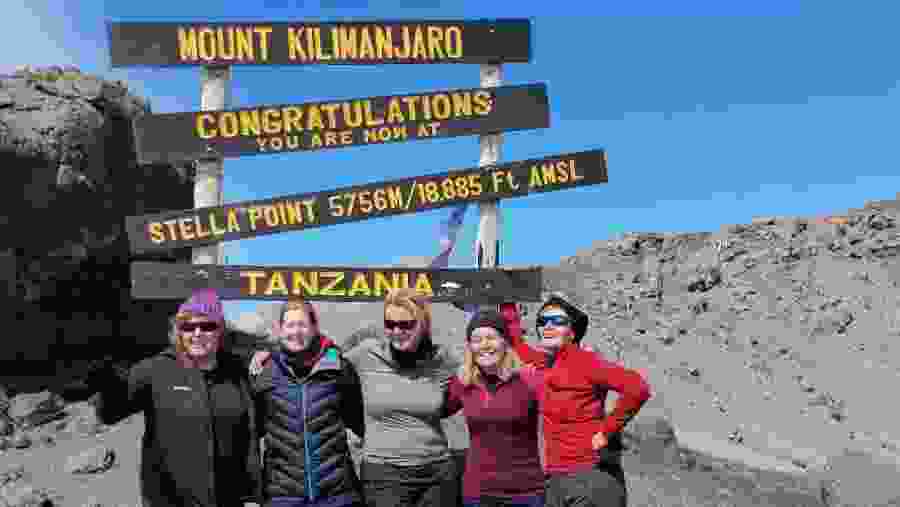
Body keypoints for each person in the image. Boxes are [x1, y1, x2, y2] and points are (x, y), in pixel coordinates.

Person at [251, 288, 462, 507]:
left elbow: (468, 384)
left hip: (424, 477)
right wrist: (268, 355)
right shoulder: (364, 356)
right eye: (390, 324)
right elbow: (251, 432)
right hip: (372, 479)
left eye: (406, 324)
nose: (397, 330)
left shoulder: (441, 360)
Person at [89, 289, 263, 507]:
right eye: (188, 327)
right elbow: (110, 412)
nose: (197, 333)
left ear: (220, 331)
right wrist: (105, 377)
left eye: (207, 326)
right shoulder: (155, 370)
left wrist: (252, 497)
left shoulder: (238, 373)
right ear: (178, 331)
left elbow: (249, 440)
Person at [502, 296, 652, 507]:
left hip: (591, 480)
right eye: (542, 321)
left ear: (572, 333)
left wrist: (607, 430)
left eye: (557, 321)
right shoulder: (545, 363)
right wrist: (506, 296)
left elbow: (637, 387)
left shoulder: (587, 362)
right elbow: (517, 343)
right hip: (556, 480)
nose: (548, 326)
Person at [250, 298, 366, 507]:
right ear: (280, 329)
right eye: (290, 325)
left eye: (302, 324)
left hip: (337, 496)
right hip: (282, 497)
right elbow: (251, 433)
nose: (296, 332)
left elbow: (360, 422)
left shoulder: (339, 369)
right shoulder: (265, 373)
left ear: (314, 327)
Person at [442, 309, 545, 507]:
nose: (484, 345)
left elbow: (561, 409)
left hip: (526, 493)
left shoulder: (528, 379)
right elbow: (434, 409)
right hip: (478, 493)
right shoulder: (463, 383)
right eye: (477, 339)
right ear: (469, 347)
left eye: (491, 337)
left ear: (505, 341)